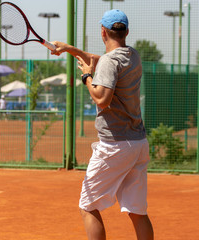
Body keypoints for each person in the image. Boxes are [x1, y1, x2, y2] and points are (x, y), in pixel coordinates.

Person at [51, 9, 154, 240]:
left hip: (115, 145)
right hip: (138, 143)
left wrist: (87, 77)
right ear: (126, 32)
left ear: (102, 32)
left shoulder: (109, 62)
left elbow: (102, 99)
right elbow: (101, 60)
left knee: (87, 205)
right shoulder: (132, 55)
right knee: (138, 211)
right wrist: (69, 49)